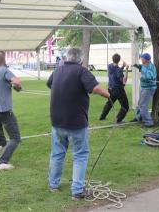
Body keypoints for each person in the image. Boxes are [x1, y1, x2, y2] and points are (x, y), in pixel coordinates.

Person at [46, 48, 110, 201]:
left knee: (57, 153)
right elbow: (95, 88)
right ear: (81, 60)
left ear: (66, 58)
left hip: (57, 120)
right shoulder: (81, 71)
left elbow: (50, 84)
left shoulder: (57, 71)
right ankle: (77, 191)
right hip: (76, 122)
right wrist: (108, 94)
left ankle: (53, 184)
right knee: (80, 155)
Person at [99, 53, 129, 123]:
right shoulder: (118, 70)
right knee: (125, 106)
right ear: (119, 60)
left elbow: (116, 72)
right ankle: (117, 120)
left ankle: (102, 117)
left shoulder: (109, 66)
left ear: (112, 59)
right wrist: (127, 69)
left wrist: (122, 67)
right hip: (118, 90)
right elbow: (124, 81)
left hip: (110, 89)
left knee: (109, 103)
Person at [131, 53, 157, 127]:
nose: (141, 59)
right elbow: (142, 67)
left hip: (149, 89)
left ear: (145, 60)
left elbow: (150, 77)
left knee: (143, 106)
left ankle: (149, 122)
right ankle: (138, 117)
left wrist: (141, 77)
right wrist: (138, 66)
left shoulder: (151, 67)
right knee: (140, 104)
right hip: (144, 87)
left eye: (142, 58)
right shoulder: (145, 65)